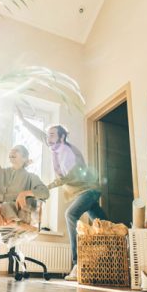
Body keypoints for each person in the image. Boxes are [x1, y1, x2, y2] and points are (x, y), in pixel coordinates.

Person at [17, 108, 106, 281]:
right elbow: (39, 135)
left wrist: (43, 189)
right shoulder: (55, 146)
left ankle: (77, 265)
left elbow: (66, 178)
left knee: (70, 214)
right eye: (48, 135)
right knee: (103, 224)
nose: (47, 138)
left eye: (51, 135)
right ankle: (117, 257)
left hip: (89, 190)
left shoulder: (68, 152)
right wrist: (23, 120)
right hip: (82, 191)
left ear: (62, 137)